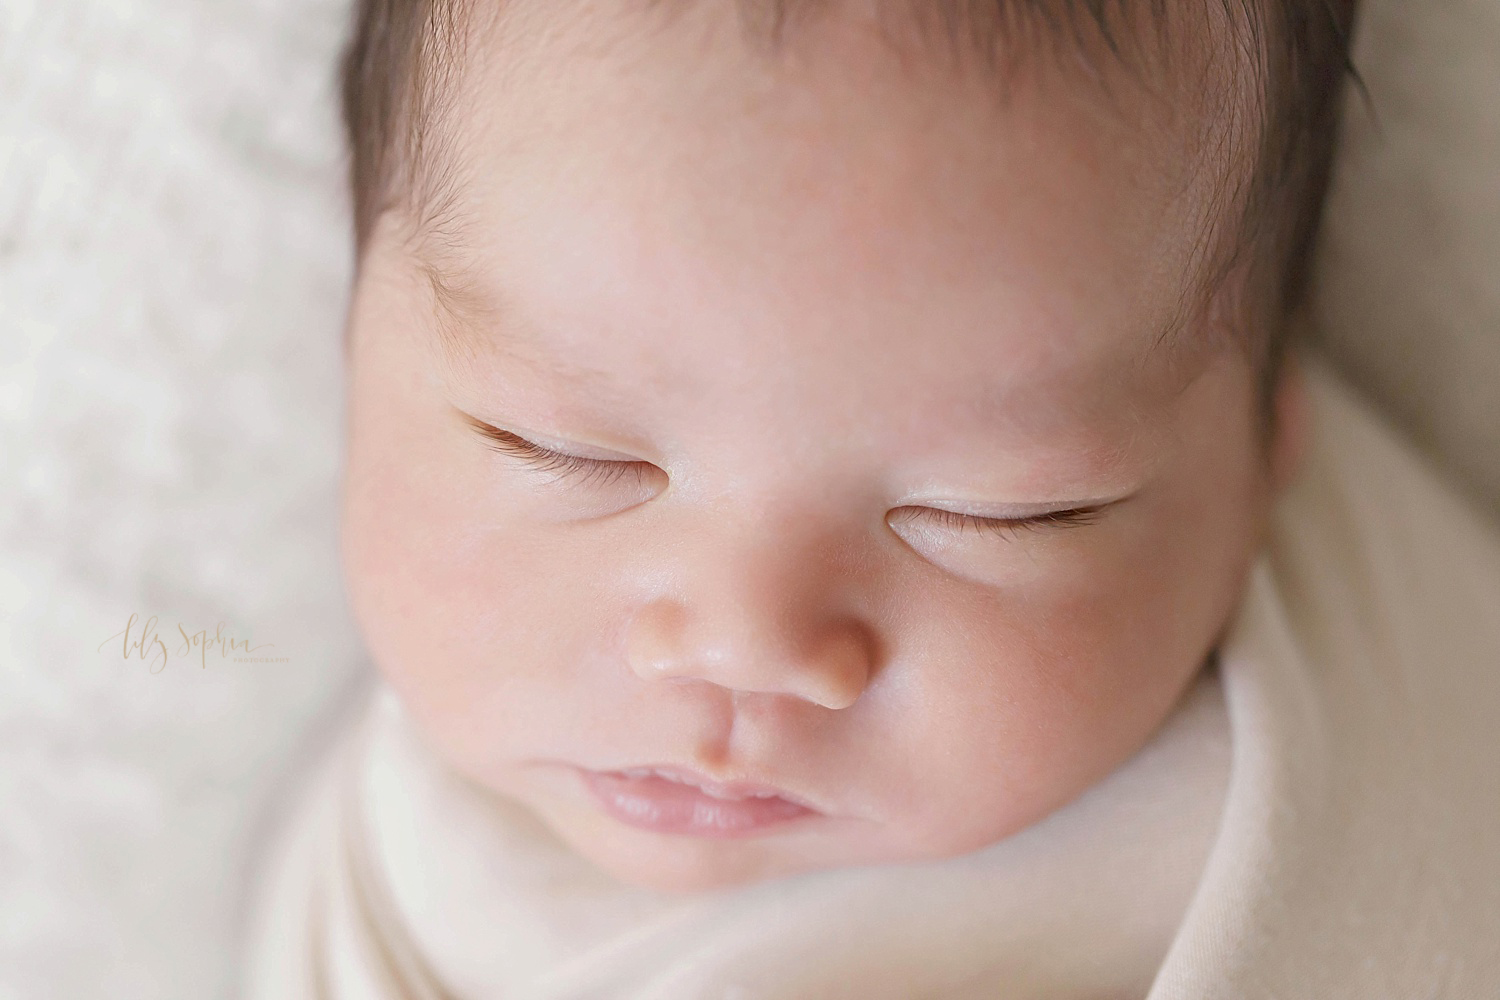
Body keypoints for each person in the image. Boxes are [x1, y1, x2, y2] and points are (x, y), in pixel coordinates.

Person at [237, 2, 1500, 996]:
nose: (744, 644)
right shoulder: (390, 871)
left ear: (1268, 453)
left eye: (996, 514)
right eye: (558, 447)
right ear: (353, 337)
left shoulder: (1395, 709)